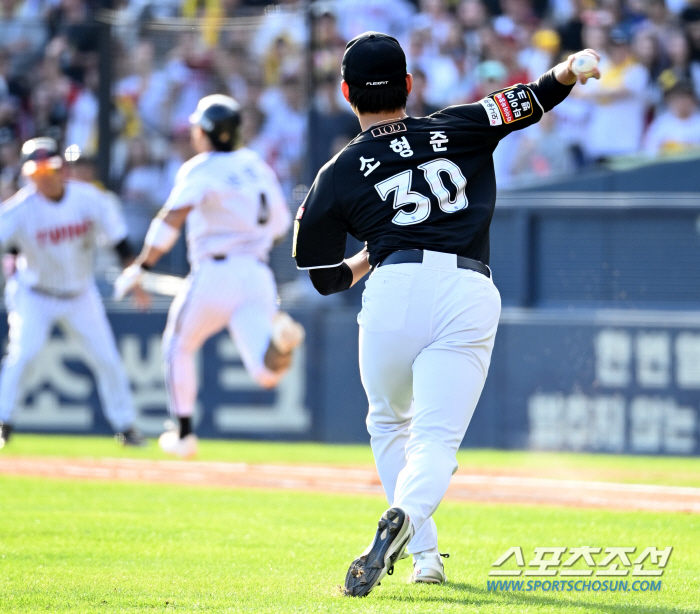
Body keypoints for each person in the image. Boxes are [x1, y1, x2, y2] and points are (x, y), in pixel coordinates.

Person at [293, 32, 600, 597]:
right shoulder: (456, 125)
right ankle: (411, 534)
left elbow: (320, 273)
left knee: (389, 424)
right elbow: (533, 96)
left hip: (393, 289)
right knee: (434, 441)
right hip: (467, 289)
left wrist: (369, 254)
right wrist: (572, 67)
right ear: (409, 85)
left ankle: (425, 555)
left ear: (345, 92)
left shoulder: (338, 169)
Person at [113, 94, 304, 459]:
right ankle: (284, 341)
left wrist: (141, 266)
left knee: (177, 346)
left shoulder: (200, 168)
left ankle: (183, 434)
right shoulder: (256, 165)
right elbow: (280, 224)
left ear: (208, 132)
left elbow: (171, 219)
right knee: (267, 372)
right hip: (257, 272)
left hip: (216, 270)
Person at [0, 137, 147, 449]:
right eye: (36, 172)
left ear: (61, 168)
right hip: (34, 294)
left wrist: (133, 277)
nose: (44, 177)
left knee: (107, 359)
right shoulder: (18, 211)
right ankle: (3, 423)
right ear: (28, 175)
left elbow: (120, 242)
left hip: (80, 294)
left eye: (49, 169)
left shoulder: (89, 199)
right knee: (23, 355)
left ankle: (126, 428)